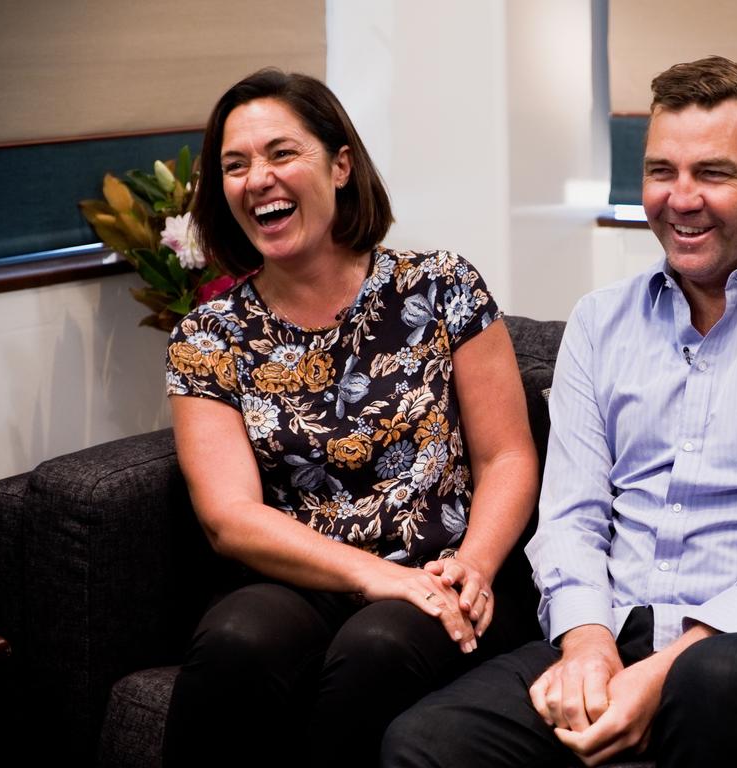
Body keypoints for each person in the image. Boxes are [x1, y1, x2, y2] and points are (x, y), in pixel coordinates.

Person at [381, 56, 737, 768]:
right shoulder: (599, 323)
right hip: (617, 631)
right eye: (662, 171)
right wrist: (588, 646)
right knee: (424, 743)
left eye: (713, 173)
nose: (680, 198)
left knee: (709, 681)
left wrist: (658, 677)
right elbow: (570, 518)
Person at [161, 68, 540, 768]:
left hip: (452, 567)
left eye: (281, 153)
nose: (257, 179)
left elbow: (507, 456)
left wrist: (475, 567)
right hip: (306, 576)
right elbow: (229, 516)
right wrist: (373, 575)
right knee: (236, 640)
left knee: (380, 647)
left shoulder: (442, 285)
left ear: (340, 165)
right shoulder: (207, 336)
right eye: (235, 165)